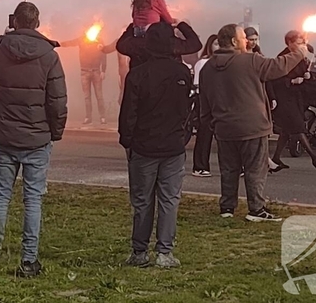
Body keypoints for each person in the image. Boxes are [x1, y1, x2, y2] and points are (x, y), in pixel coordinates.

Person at [0, 1, 67, 278]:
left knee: (1, 198)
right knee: (33, 201)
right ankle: (28, 262)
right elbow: (57, 101)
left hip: (6, 136)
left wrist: (0, 42)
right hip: (37, 139)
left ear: (15, 21)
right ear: (37, 23)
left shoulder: (0, 49)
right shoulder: (50, 55)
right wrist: (55, 132)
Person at [198, 24, 305, 222]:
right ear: (233, 41)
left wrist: (214, 124)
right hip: (252, 127)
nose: (246, 41)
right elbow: (278, 66)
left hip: (224, 128)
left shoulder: (207, 69)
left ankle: (227, 207)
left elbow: (204, 104)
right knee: (255, 170)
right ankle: (256, 209)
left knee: (229, 170)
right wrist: (299, 53)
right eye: (242, 37)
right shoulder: (250, 61)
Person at [119, 21, 193, 269]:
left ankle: (140, 251)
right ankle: (165, 251)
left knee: (142, 200)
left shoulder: (137, 75)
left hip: (144, 145)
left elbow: (128, 113)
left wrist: (127, 140)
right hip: (173, 145)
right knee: (169, 199)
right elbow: (185, 109)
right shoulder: (182, 73)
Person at [270, 31, 316, 171]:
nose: (302, 46)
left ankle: (276, 158)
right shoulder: (282, 58)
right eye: (299, 43)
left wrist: (308, 75)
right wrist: (292, 81)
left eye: (303, 43)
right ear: (289, 43)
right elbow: (274, 79)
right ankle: (314, 157)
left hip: (296, 97)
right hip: (284, 97)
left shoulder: (301, 57)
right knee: (298, 126)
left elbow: (307, 72)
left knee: (286, 130)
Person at [61, 32, 115, 126]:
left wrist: (103, 70)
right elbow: (71, 43)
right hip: (84, 71)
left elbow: (104, 54)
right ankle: (88, 117)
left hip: (96, 71)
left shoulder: (98, 40)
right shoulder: (82, 39)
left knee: (99, 95)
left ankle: (102, 117)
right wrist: (59, 44)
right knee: (87, 96)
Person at [117, 20, 202, 71]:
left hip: (144, 88)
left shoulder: (140, 45)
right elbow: (195, 44)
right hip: (169, 85)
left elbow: (121, 45)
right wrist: (181, 25)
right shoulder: (173, 44)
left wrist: (133, 26)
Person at [191, 34, 218, 177]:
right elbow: (197, 86)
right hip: (205, 102)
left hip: (221, 102)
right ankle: (200, 166)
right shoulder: (203, 63)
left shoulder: (225, 62)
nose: (218, 47)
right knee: (204, 135)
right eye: (216, 44)